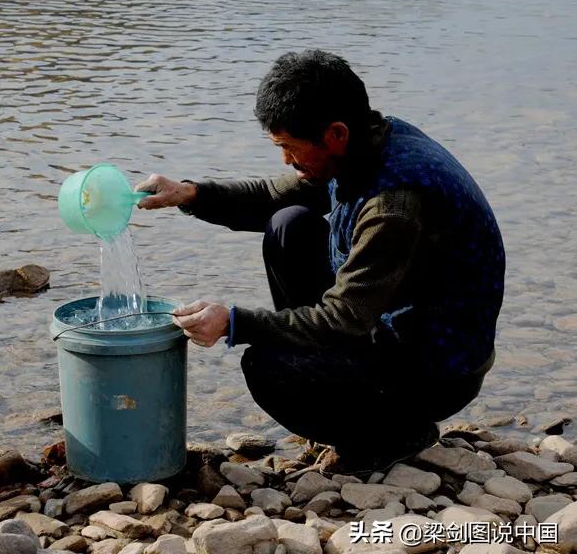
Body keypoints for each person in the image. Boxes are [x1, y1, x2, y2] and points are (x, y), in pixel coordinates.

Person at [135, 49, 505, 473]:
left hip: (438, 371)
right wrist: (189, 194)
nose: (286, 160)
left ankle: (397, 433)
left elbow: (344, 318)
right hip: (392, 328)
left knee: (268, 369)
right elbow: (272, 197)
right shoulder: (365, 143)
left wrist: (234, 322)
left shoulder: (394, 203)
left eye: (290, 148)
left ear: (335, 134)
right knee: (289, 225)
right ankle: (345, 392)